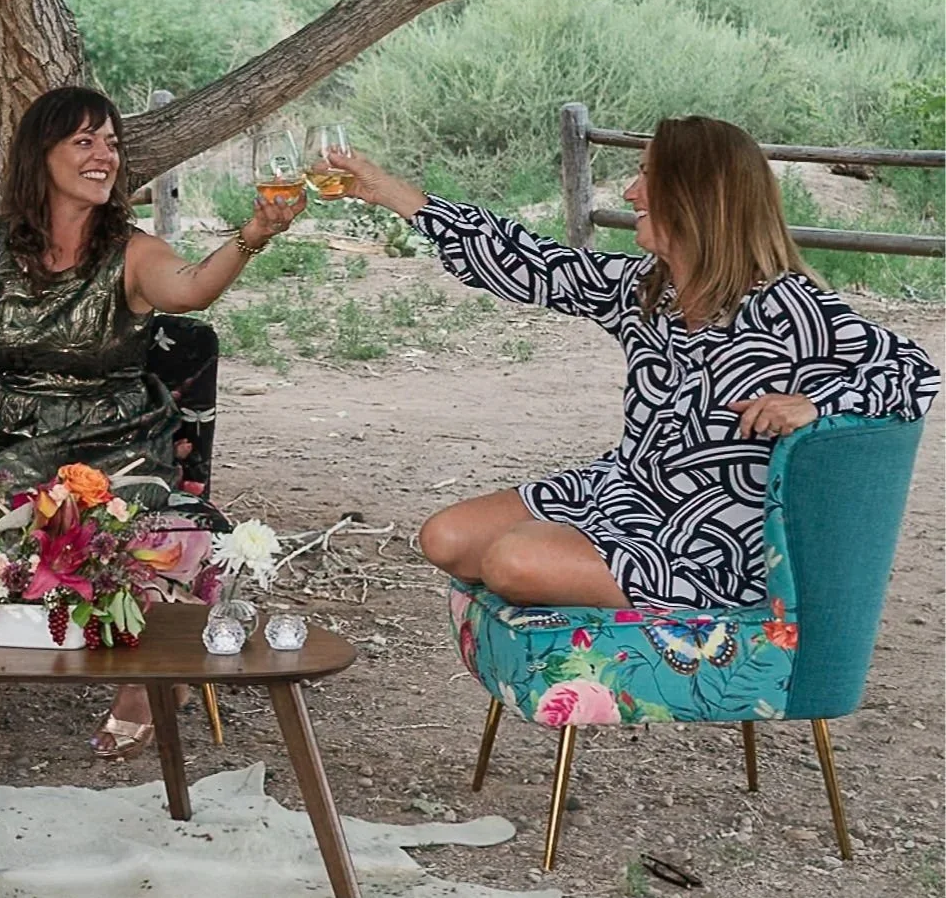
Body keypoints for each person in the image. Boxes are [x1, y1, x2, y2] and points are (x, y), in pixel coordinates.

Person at [334, 118, 939, 611]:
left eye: (647, 176)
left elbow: (914, 370)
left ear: (695, 194)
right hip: (623, 492)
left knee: (512, 561)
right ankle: (598, 571)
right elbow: (528, 263)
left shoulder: (789, 307)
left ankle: (663, 612)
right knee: (445, 537)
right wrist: (386, 190)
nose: (630, 192)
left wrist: (815, 404)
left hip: (708, 543)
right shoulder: (647, 290)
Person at [0, 85, 299, 759]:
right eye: (84, 142)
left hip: (112, 440)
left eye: (112, 143)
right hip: (4, 432)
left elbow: (192, 288)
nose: (104, 157)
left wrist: (252, 236)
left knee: (119, 523)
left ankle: (145, 680)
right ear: (43, 155)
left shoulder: (130, 250)